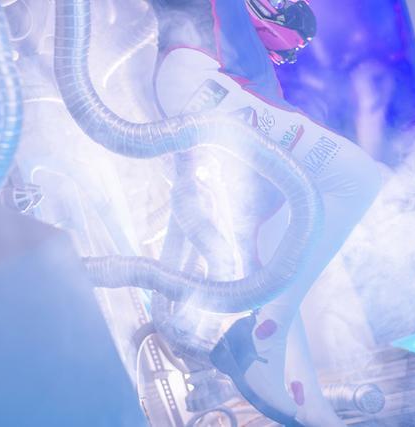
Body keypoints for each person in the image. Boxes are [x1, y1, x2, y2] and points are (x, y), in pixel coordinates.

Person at [153, 1, 382, 425]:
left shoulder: (247, 42)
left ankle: (307, 406)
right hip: (205, 79)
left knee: (276, 243)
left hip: (213, 81)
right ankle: (260, 341)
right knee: (357, 177)